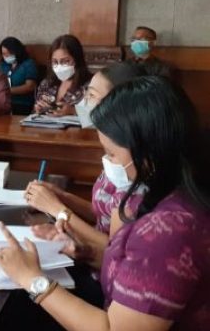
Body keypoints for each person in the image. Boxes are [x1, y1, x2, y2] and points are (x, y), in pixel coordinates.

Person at [0, 76, 210, 331]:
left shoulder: (170, 230)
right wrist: (91, 254)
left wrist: (32, 279)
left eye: (111, 154)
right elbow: (137, 267)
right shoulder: (163, 192)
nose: (106, 161)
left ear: (149, 153)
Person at [25, 63, 151, 268]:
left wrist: (58, 209)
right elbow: (103, 211)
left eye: (91, 95)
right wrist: (62, 196)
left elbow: (114, 250)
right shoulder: (116, 153)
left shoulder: (131, 164)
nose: (84, 102)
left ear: (119, 102)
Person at [34, 34, 91, 116]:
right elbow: (36, 109)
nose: (59, 66)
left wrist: (73, 111)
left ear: (77, 59)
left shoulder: (91, 84)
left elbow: (100, 114)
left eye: (65, 61)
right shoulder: (46, 83)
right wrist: (39, 109)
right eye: (55, 62)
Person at [0, 37, 38, 115]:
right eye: (4, 54)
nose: (7, 56)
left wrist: (8, 91)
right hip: (4, 103)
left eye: (9, 53)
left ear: (17, 51)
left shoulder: (28, 64)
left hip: (22, 104)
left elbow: (30, 86)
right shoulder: (3, 65)